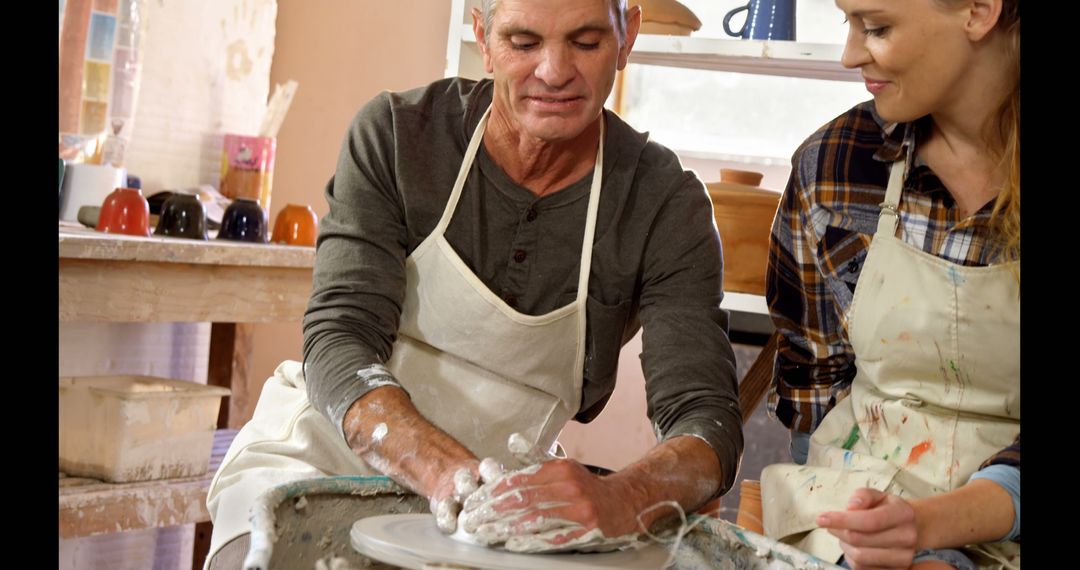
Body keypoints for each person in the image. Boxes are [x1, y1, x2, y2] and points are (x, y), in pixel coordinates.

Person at [203, 0, 745, 567]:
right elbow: (339, 337)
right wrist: (443, 472)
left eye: (585, 43)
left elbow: (705, 418)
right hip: (319, 455)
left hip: (500, 506)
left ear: (627, 35)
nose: (555, 71)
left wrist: (623, 497)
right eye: (524, 43)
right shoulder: (397, 135)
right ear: (483, 38)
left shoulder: (663, 204)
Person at [760, 0, 1020, 568]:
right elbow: (813, 380)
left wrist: (931, 533)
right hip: (858, 503)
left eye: (876, 28)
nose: (851, 54)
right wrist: (829, 530)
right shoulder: (834, 166)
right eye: (846, 23)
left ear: (978, 11)